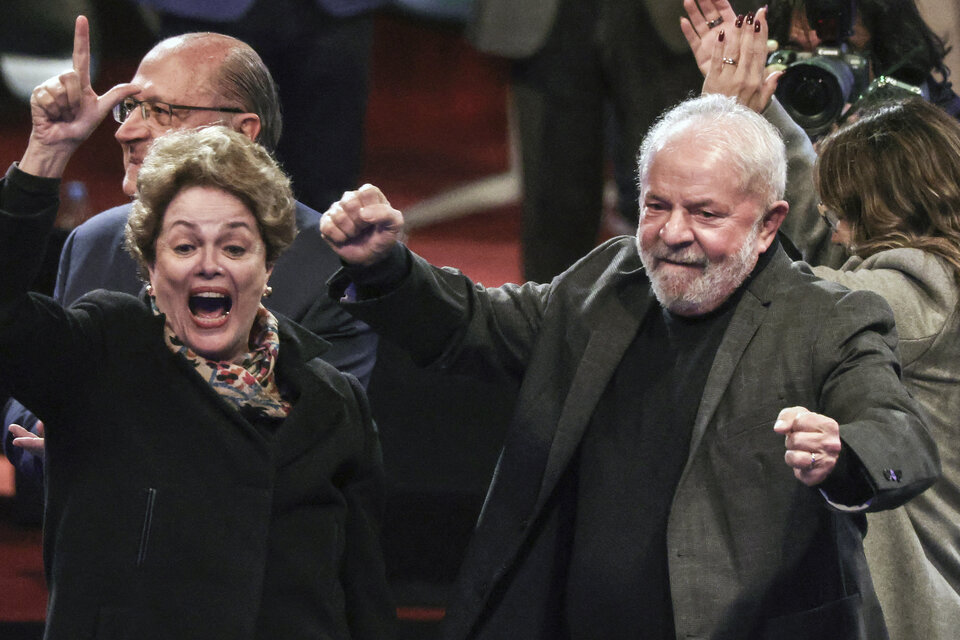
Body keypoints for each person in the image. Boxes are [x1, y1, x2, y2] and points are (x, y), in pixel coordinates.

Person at [318, 93, 939, 638]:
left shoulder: (829, 319)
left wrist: (846, 454)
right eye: (655, 205)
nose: (673, 232)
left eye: (705, 213)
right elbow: (478, 323)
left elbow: (900, 436)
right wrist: (386, 267)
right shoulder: (608, 281)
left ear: (770, 221)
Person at [0, 18, 393, 636]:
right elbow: (26, 376)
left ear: (269, 263)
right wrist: (46, 153)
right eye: (182, 247)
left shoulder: (330, 331)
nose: (125, 128)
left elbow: (358, 569)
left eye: (158, 110)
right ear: (149, 262)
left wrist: (118, 431)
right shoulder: (101, 284)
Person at [684, 8, 960, 637]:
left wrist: (718, 122)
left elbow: (766, 286)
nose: (829, 227)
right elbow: (814, 225)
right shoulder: (935, 272)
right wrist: (755, 109)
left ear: (877, 211)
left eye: (843, 212)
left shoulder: (909, 300)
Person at [468, 0, 703, 281]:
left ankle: (687, 316)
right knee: (553, 202)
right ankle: (551, 320)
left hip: (668, 14)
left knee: (679, 184)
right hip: (550, 14)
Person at [128, 0, 388, 213]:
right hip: (206, 10)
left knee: (328, 178)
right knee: (195, 177)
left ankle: (321, 271)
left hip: (337, 12)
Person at [766, 0, 960, 119]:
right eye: (798, 53)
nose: (818, 73)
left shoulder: (943, 125)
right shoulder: (775, 119)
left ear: (888, 56)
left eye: (840, 54)